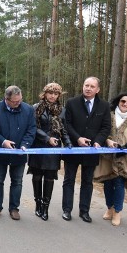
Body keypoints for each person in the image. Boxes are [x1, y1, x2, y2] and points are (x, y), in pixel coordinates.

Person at [62, 76, 111, 223]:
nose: (88, 88)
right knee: (69, 180)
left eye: (91, 86)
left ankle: (84, 211)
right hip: (74, 148)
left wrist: (98, 142)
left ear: (98, 90)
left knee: (87, 182)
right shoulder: (71, 103)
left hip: (91, 150)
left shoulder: (104, 105)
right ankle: (67, 210)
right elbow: (67, 124)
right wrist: (78, 138)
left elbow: (106, 127)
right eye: (86, 85)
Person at [93, 92, 127, 226]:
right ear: (118, 101)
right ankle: (109, 208)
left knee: (119, 183)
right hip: (107, 155)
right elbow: (103, 131)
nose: (125, 104)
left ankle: (118, 211)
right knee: (108, 182)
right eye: (123, 101)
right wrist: (108, 141)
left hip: (124, 158)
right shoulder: (109, 116)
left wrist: (125, 147)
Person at [0, 85, 36, 220]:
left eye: (20, 100)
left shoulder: (28, 109)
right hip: (0, 152)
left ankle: (14, 208)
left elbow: (31, 130)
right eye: (15, 102)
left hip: (19, 154)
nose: (18, 103)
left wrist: (25, 145)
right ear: (6, 99)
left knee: (17, 181)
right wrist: (2, 141)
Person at [27, 82, 72, 221]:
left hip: (54, 148)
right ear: (45, 93)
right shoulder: (36, 107)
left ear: (59, 95)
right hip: (39, 146)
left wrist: (68, 142)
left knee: (49, 178)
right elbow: (33, 127)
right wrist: (47, 138)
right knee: (37, 177)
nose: (52, 96)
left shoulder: (61, 109)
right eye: (50, 93)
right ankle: (38, 204)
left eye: (55, 93)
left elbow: (63, 129)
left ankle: (46, 207)